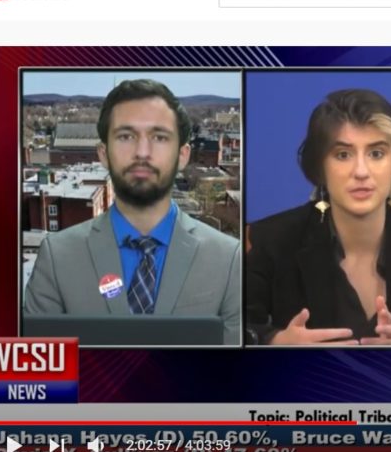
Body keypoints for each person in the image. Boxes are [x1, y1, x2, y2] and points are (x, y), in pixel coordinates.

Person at [24, 79, 241, 344]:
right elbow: (39, 377)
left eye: (159, 137)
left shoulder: (229, 260)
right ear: (103, 153)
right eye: (126, 136)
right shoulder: (57, 258)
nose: (142, 152)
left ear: (183, 155)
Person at [246, 88, 391, 345]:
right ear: (320, 167)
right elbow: (238, 331)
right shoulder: (270, 241)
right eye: (343, 155)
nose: (361, 171)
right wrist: (275, 343)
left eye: (376, 153)